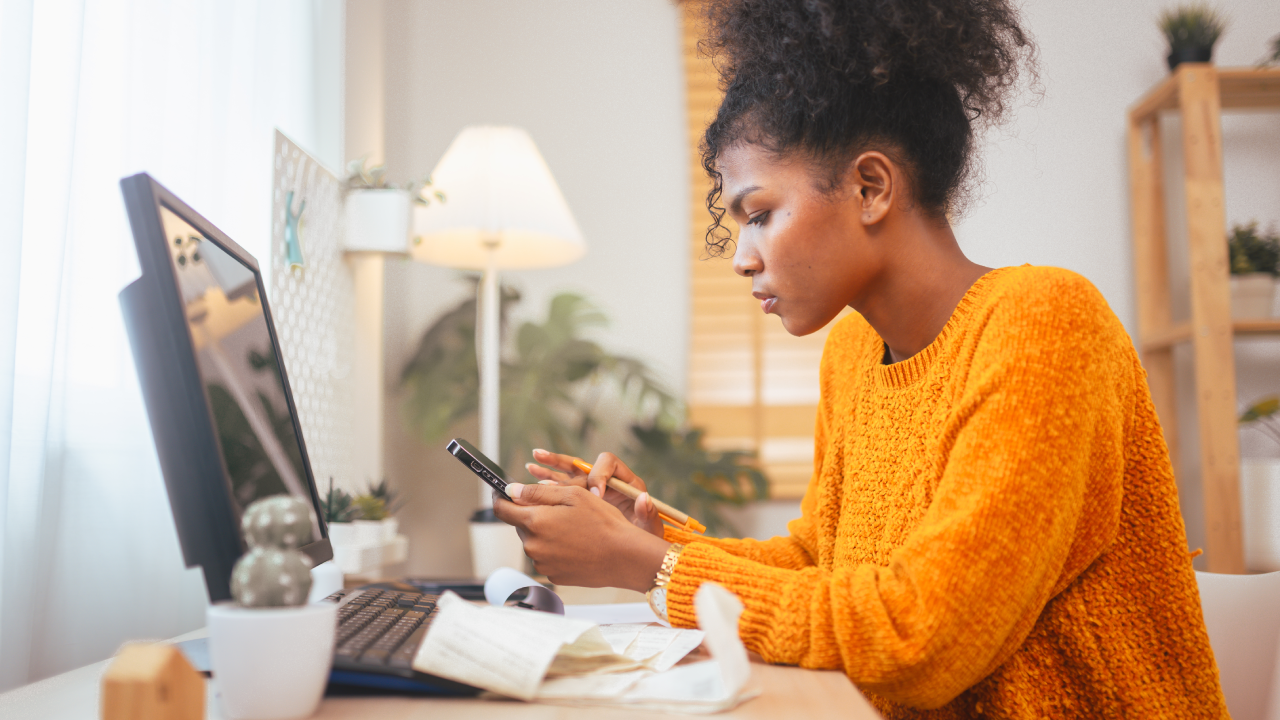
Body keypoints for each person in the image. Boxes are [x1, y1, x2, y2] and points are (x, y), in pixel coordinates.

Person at [493, 0, 1228, 716]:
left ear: (870, 187)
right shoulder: (853, 352)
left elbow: (923, 637)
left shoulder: (1044, 324)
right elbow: (823, 564)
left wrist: (650, 569)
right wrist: (657, 540)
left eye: (760, 214)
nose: (743, 259)